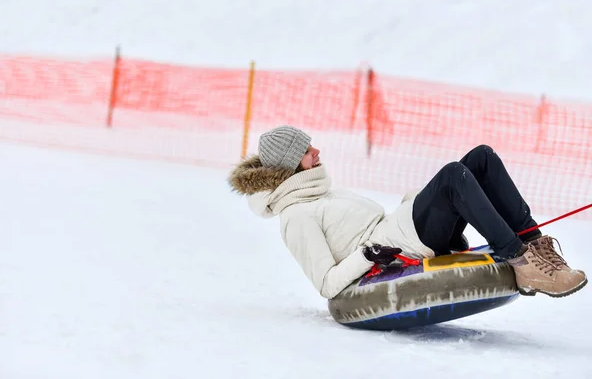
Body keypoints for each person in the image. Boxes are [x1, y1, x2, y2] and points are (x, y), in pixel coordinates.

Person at [227, 125, 587, 299]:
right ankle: (521, 263)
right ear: (292, 165)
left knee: (482, 157)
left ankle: (535, 244)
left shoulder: (318, 190)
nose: (316, 150)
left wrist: (409, 204)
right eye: (306, 150)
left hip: (399, 232)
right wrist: (368, 256)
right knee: (452, 176)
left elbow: (377, 224)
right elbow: (326, 284)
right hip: (395, 249)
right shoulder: (295, 217)